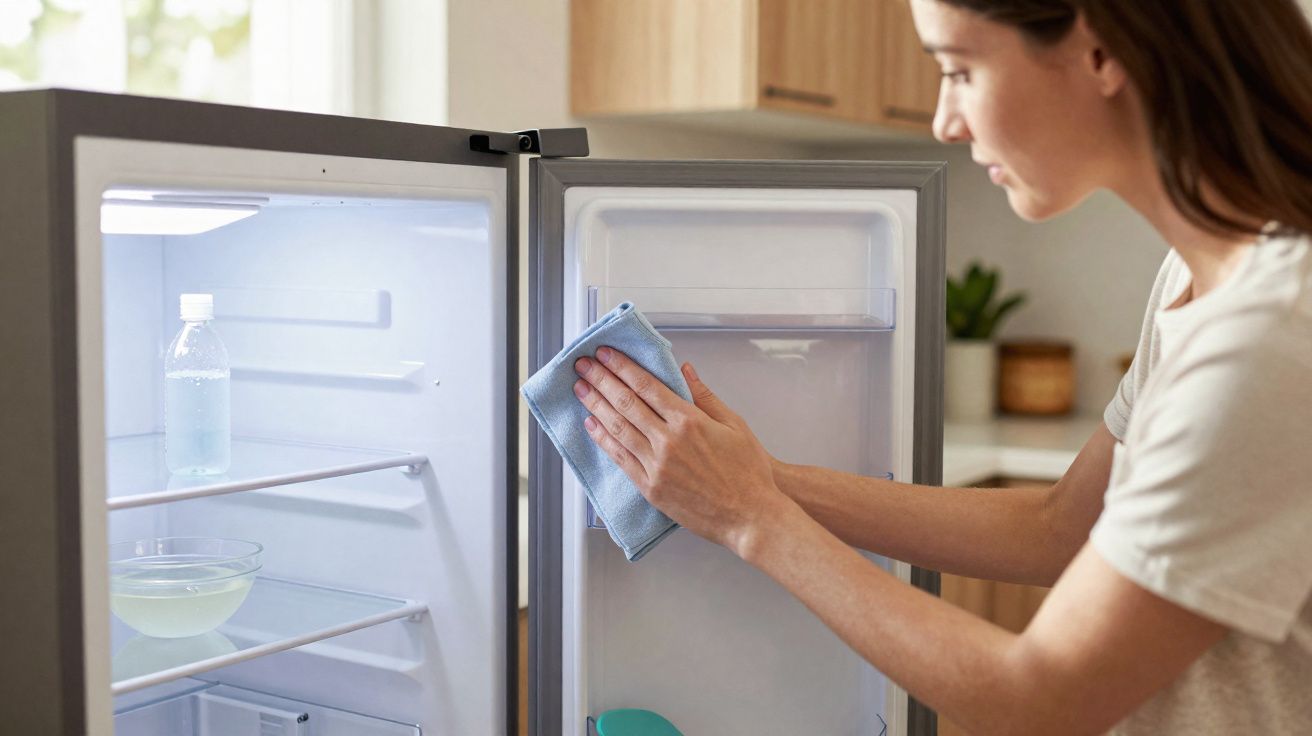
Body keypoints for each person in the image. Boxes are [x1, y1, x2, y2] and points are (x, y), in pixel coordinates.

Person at [567, 1, 1312, 733]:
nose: (944, 121)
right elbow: (1062, 528)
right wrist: (759, 479)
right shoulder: (1195, 275)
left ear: (1101, 50)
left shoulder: (1266, 336)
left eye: (959, 70)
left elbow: (1042, 699)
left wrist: (753, 521)